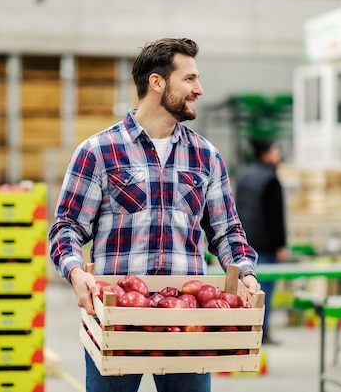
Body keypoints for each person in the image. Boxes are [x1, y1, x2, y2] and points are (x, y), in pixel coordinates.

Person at [48, 37, 260, 392]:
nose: (200, 89)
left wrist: (246, 273)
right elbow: (66, 226)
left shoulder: (206, 157)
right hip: (118, 320)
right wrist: (73, 271)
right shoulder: (99, 152)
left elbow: (227, 232)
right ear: (157, 83)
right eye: (189, 79)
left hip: (188, 324)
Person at [235, 139, 288, 345]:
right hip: (266, 244)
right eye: (275, 150)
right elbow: (277, 217)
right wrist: (281, 244)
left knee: (248, 290)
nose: (278, 154)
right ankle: (262, 329)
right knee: (264, 289)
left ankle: (248, 327)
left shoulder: (245, 175)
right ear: (266, 154)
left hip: (246, 243)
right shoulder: (270, 179)